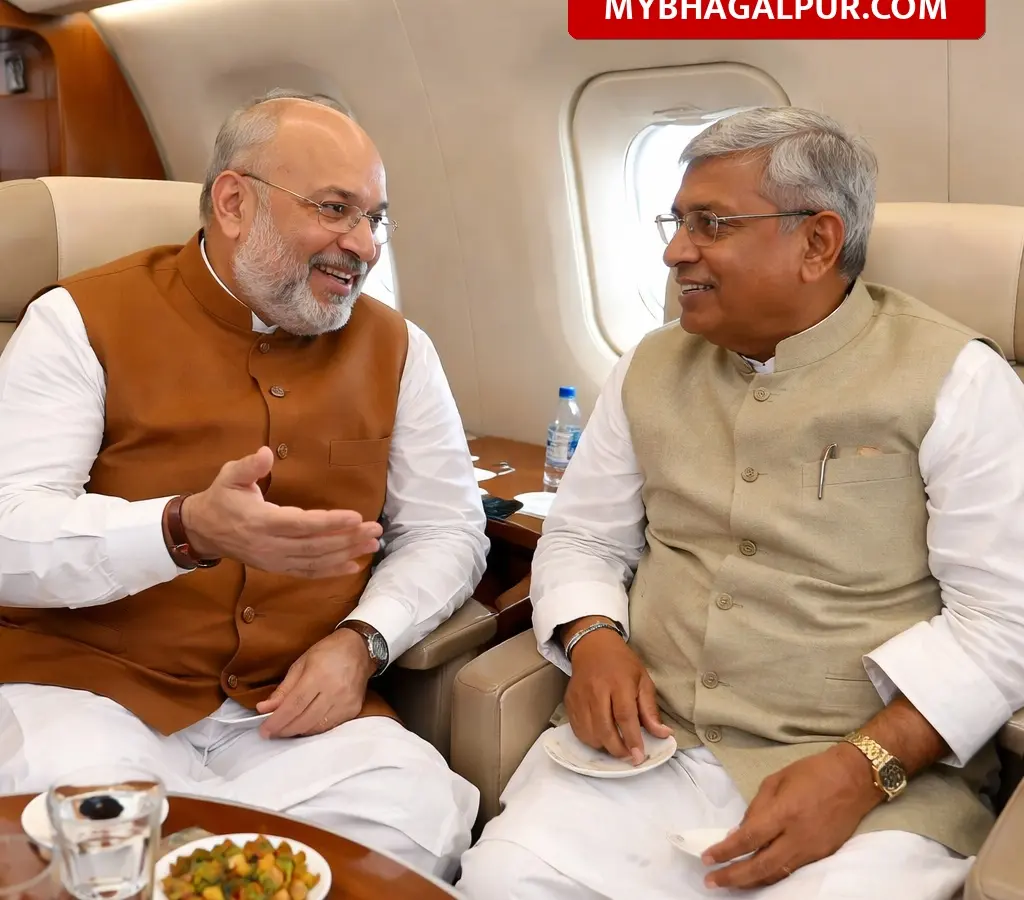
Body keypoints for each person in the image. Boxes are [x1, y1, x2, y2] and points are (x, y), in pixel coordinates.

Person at [456, 106, 1024, 898]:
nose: (675, 251)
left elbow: (1002, 622)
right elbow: (584, 537)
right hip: (648, 749)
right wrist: (592, 638)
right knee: (499, 882)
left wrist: (862, 770)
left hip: (868, 781)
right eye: (678, 221)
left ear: (817, 243)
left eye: (710, 223)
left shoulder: (960, 380)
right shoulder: (648, 365)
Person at [0, 89, 487, 884]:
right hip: (89, 690)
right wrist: (181, 529)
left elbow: (448, 529)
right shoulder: (77, 319)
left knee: (416, 813)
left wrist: (362, 642)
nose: (363, 245)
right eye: (335, 209)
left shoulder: (400, 348)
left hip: (287, 708)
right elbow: (9, 529)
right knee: (99, 842)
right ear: (234, 203)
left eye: (375, 218)